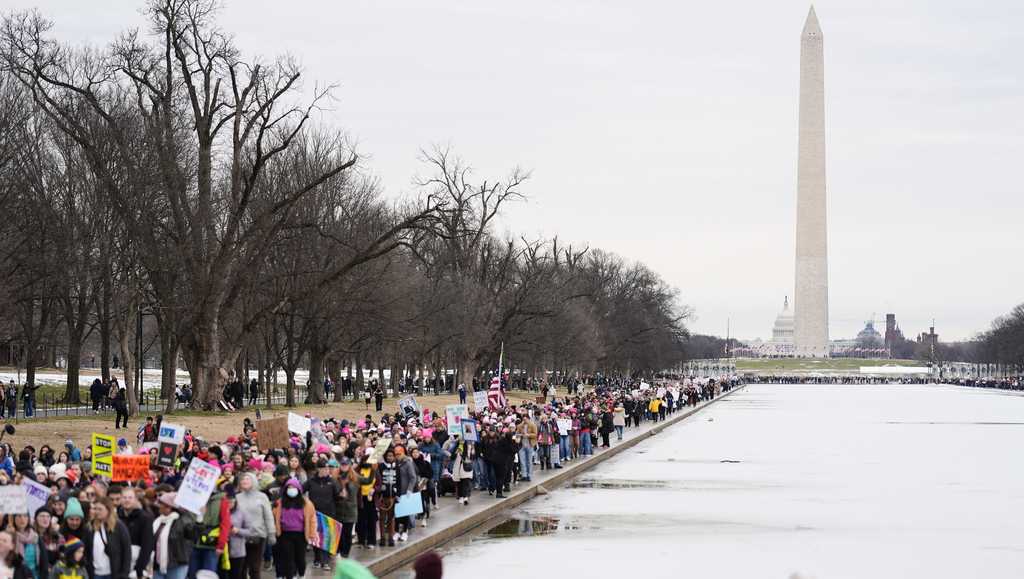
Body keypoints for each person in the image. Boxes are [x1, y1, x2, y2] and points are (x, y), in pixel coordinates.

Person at [271, 479, 315, 579]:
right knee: (288, 558)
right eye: (289, 488)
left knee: (300, 558)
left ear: (299, 489)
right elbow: (273, 516)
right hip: (285, 534)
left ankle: (301, 574)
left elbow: (312, 519)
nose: (291, 490)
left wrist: (312, 533)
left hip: (301, 535)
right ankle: (291, 576)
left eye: (294, 488)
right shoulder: (280, 502)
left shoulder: (307, 503)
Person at [234, 473, 274, 579]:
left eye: (247, 479)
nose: (244, 481)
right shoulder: (237, 497)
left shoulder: (262, 497)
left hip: (258, 535)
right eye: (242, 479)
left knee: (255, 568)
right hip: (240, 536)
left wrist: (271, 533)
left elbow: (268, 516)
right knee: (241, 567)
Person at [303, 460, 340, 568]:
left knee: (327, 538)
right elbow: (301, 490)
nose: (326, 470)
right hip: (315, 514)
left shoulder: (332, 481)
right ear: (318, 469)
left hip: (329, 513)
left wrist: (342, 495)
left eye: (327, 468)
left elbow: (338, 496)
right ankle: (317, 559)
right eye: (323, 468)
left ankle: (325, 561)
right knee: (316, 537)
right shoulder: (311, 481)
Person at [83, 497, 132, 579]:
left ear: (108, 510)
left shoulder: (119, 526)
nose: (97, 512)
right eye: (95, 509)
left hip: (113, 573)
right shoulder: (89, 527)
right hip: (95, 574)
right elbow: (86, 550)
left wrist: (124, 574)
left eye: (100, 509)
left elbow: (127, 551)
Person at [151, 492, 193, 579]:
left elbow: (193, 535)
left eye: (161, 504)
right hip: (156, 565)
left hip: (176, 566)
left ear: (169, 507)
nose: (158, 506)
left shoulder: (183, 521)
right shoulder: (158, 520)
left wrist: (200, 521)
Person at [119, 489, 153, 579]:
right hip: (119, 565)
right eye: (124, 497)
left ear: (135, 500)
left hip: (136, 565)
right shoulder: (117, 517)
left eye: (130, 497)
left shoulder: (145, 518)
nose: (127, 500)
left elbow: (147, 545)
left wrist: (139, 568)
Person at [333, 458, 359, 559]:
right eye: (342, 464)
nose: (344, 466)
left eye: (346, 464)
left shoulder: (355, 478)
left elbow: (368, 480)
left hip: (350, 511)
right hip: (338, 510)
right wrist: (339, 494)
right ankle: (338, 552)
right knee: (339, 534)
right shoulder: (335, 478)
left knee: (347, 534)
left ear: (349, 465)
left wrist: (373, 470)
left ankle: (345, 554)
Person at [354, 454, 379, 550]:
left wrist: (375, 489)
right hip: (361, 498)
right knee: (361, 521)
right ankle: (361, 540)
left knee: (371, 520)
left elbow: (379, 484)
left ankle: (371, 541)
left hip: (371, 499)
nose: (366, 463)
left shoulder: (374, 471)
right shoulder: (357, 470)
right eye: (364, 461)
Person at [9, 513, 39, 579]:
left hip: (35, 575)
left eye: (25, 516)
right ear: (13, 518)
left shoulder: (35, 536)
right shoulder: (8, 536)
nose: (22, 519)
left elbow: (42, 559)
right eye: (19, 516)